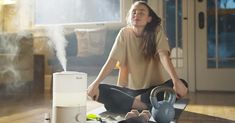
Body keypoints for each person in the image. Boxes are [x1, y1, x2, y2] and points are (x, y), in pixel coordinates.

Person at [87, 1, 188, 115]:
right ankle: (146, 106)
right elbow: (112, 61)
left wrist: (176, 81)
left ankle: (129, 104)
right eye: (134, 12)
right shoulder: (124, 33)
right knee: (99, 89)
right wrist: (94, 84)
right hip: (129, 92)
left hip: (153, 91)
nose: (136, 15)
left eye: (141, 13)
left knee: (182, 84)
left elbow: (164, 56)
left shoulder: (157, 31)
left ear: (149, 19)